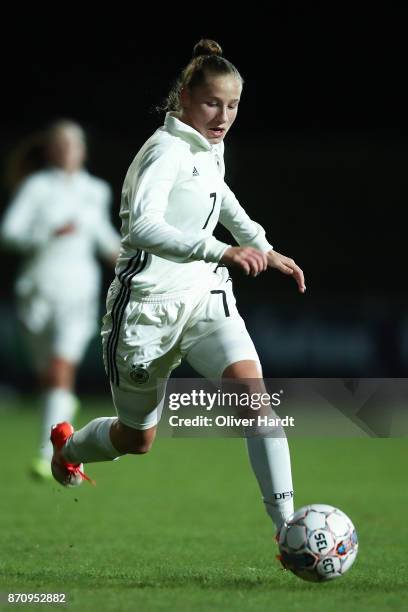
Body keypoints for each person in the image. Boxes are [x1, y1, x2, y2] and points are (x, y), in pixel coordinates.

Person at [50, 40, 305, 536]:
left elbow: (220, 194)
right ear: (184, 97)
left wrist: (261, 245)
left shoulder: (209, 144)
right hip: (146, 311)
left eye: (232, 105)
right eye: (213, 103)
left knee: (256, 403)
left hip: (206, 295)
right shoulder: (164, 152)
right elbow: (141, 229)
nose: (223, 116)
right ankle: (71, 448)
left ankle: (288, 529)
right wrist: (220, 250)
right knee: (136, 439)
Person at [0, 120, 121, 479]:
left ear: (83, 150)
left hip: (78, 293)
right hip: (36, 293)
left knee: (59, 369)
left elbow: (103, 238)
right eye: (61, 144)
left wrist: (135, 261)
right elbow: (10, 234)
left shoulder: (95, 190)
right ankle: (63, 407)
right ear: (51, 150)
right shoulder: (36, 187)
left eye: (74, 144)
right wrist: (47, 233)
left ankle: (47, 453)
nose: (67, 150)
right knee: (49, 378)